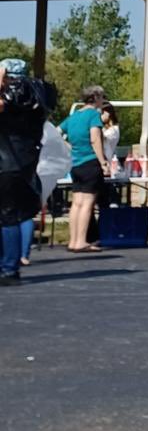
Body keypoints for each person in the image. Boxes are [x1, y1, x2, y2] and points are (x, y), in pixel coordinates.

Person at [0, 59, 51, 284]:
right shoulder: (38, 93)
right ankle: (11, 263)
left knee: (8, 215)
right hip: (24, 160)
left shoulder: (17, 93)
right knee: (17, 213)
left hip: (8, 161)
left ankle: (9, 268)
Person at [57, 87, 109, 252]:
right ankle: (81, 241)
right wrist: (103, 162)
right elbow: (95, 138)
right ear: (95, 97)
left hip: (76, 164)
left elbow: (56, 132)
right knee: (87, 204)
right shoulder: (94, 115)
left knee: (76, 203)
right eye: (102, 97)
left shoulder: (74, 116)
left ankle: (73, 241)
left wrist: (69, 148)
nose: (103, 100)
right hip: (90, 162)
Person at [100, 103, 120, 176]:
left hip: (108, 164)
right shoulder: (103, 128)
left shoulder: (114, 130)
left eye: (101, 113)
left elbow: (101, 137)